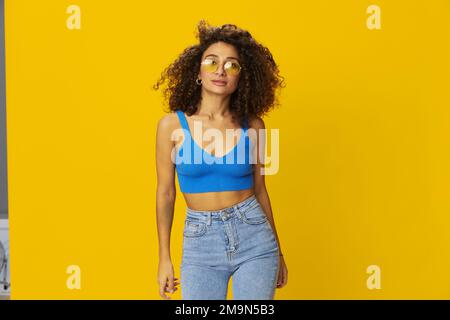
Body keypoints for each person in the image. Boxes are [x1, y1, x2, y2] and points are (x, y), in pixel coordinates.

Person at [154, 20, 287, 300]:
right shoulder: (171, 127)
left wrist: (279, 252)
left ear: (241, 77)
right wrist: (164, 257)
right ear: (198, 72)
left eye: (232, 65)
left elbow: (261, 191)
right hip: (201, 243)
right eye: (212, 62)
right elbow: (166, 193)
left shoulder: (253, 127)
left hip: (255, 239)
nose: (221, 71)